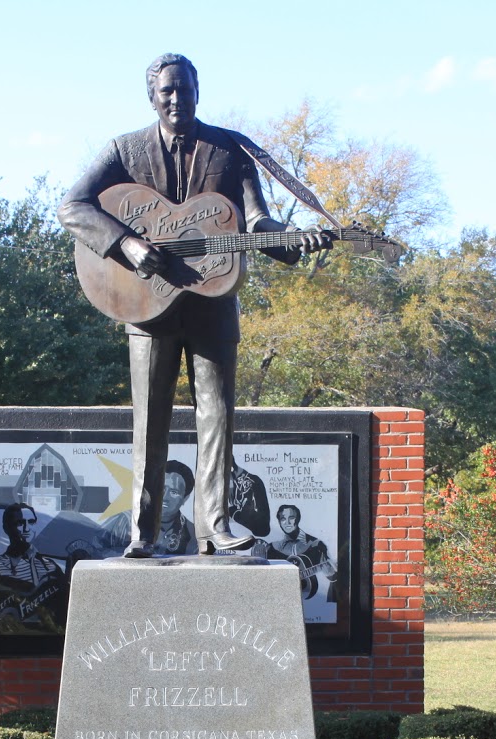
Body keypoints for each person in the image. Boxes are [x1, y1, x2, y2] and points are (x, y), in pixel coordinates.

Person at [58, 52, 331, 558]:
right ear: (153, 97)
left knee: (218, 416)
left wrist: (293, 239)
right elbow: (72, 206)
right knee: (150, 420)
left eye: (185, 89)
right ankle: (143, 532)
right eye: (168, 91)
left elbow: (255, 223)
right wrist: (126, 244)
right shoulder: (124, 149)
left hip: (212, 301)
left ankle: (216, 527)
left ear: (198, 91)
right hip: (145, 304)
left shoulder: (228, 150)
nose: (178, 99)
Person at [0, 503, 64, 627]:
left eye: (31, 522)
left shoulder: (50, 567)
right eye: (19, 523)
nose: (26, 529)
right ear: (6, 528)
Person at [268, 504, 336, 600]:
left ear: (298, 519)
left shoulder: (316, 545)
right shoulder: (272, 548)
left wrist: (332, 575)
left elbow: (334, 582)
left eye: (291, 518)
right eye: (283, 519)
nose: (287, 522)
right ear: (279, 522)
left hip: (314, 602)